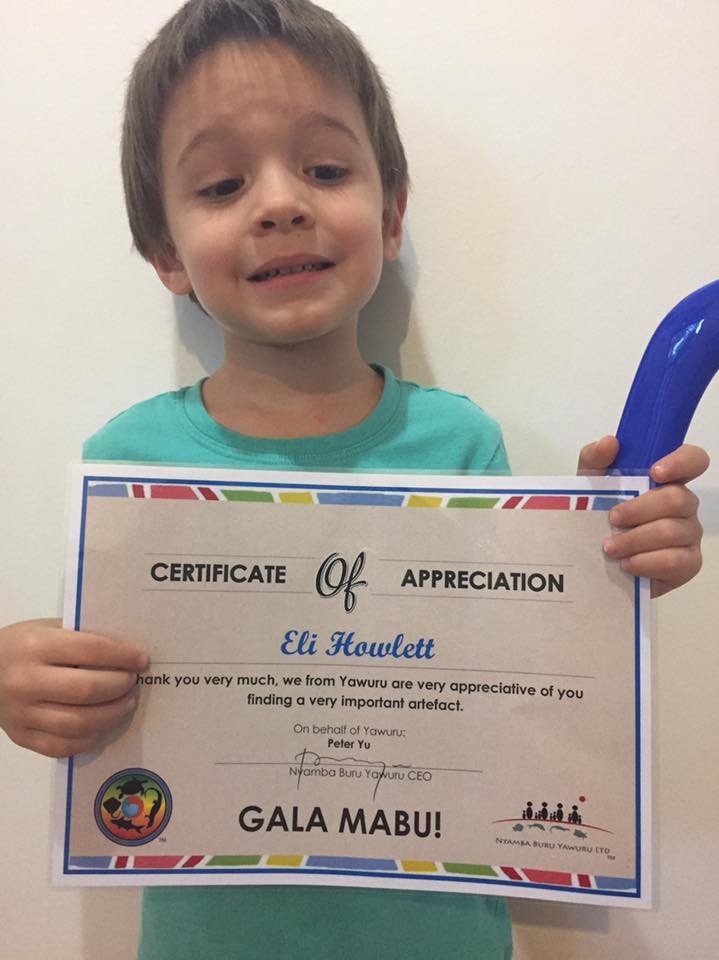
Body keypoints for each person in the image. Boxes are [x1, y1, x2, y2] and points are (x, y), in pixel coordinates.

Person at [0, 1, 709, 958]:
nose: (281, 202)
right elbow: (88, 692)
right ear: (165, 254)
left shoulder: (460, 441)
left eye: (325, 169)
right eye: (220, 184)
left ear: (389, 212)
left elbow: (517, 681)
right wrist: (23, 678)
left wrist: (612, 560)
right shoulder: (129, 460)